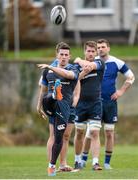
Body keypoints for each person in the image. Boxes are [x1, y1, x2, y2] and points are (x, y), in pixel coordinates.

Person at [80, 38, 135, 170]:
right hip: (94, 103)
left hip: (110, 103)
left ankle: (106, 163)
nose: (100, 49)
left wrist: (121, 91)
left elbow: (131, 76)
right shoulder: (93, 62)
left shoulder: (116, 62)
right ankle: (83, 160)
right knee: (90, 132)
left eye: (103, 47)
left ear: (108, 48)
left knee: (109, 133)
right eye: (98, 47)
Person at [36, 42, 79, 176]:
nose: (64, 57)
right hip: (50, 106)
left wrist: (51, 67)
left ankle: (54, 165)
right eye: (61, 54)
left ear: (69, 56)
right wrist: (38, 106)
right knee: (53, 136)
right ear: (57, 55)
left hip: (65, 107)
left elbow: (69, 76)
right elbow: (42, 89)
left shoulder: (73, 69)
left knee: (61, 137)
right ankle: (54, 95)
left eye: (66, 55)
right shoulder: (47, 71)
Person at [73, 41, 105, 170]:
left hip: (95, 103)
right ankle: (77, 161)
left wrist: (81, 61)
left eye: (93, 51)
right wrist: (81, 69)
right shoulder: (75, 66)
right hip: (80, 104)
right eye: (88, 51)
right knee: (79, 132)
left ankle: (95, 163)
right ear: (84, 51)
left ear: (96, 53)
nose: (91, 53)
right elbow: (74, 79)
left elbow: (91, 65)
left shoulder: (100, 63)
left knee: (95, 132)